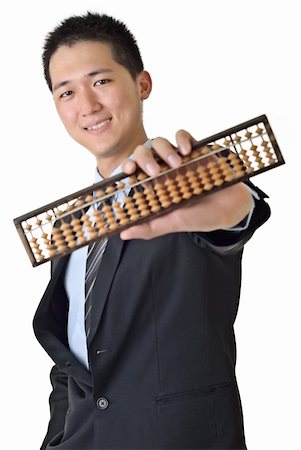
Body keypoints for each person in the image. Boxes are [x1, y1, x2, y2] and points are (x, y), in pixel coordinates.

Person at [33, 11, 270, 450]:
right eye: (66, 92)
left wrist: (236, 203)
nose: (86, 105)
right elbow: (71, 363)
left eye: (100, 81)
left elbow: (235, 211)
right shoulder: (68, 226)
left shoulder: (191, 179)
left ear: (142, 85)